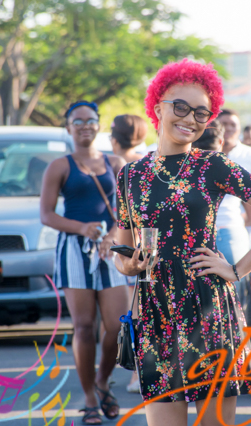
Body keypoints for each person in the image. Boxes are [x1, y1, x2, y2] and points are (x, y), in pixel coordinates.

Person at [112, 59, 251, 426]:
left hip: (207, 307)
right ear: (158, 108)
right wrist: (130, 264)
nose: (191, 118)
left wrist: (236, 269)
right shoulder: (130, 175)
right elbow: (123, 251)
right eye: (180, 107)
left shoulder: (213, 165)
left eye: (201, 112)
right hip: (155, 311)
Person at [40, 100, 128, 425]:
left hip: (110, 249)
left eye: (90, 120)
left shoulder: (115, 163)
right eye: (77, 121)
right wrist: (82, 229)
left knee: (118, 326)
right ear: (68, 128)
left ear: (98, 125)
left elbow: (127, 211)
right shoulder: (59, 166)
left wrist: (112, 236)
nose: (85, 126)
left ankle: (103, 380)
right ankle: (90, 396)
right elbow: (46, 215)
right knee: (84, 326)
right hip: (73, 250)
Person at [108, 113, 149, 394]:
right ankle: (139, 371)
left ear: (114, 139)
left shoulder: (117, 165)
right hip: (143, 246)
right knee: (139, 309)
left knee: (134, 311)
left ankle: (137, 373)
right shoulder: (147, 163)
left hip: (126, 248)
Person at [213, 109, 251, 276]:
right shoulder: (201, 155)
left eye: (233, 124)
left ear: (239, 128)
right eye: (224, 124)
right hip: (202, 231)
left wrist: (245, 219)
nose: (228, 128)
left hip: (234, 228)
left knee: (236, 280)